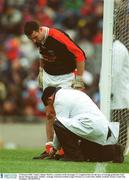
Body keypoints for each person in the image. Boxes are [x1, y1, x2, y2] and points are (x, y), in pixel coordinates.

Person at [24, 21, 86, 159]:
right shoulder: (38, 39)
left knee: (63, 114)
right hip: (48, 76)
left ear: (40, 30)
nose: (34, 40)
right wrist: (40, 71)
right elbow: (42, 54)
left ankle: (63, 149)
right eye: (31, 39)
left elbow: (80, 54)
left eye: (35, 37)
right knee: (49, 114)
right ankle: (49, 148)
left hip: (65, 77)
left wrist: (79, 79)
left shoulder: (57, 36)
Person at [41, 86, 124, 163]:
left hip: (89, 125)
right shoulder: (71, 93)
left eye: (50, 108)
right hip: (102, 128)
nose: (52, 112)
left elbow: (60, 124)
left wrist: (54, 149)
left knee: (57, 123)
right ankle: (114, 151)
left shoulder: (59, 99)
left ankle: (73, 156)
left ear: (50, 100)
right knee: (86, 153)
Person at [111, 40, 129, 152]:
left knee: (119, 123)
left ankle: (119, 152)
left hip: (119, 94)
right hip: (117, 94)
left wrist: (110, 91)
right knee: (116, 123)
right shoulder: (114, 47)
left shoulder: (117, 48)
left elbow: (114, 72)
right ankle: (116, 151)